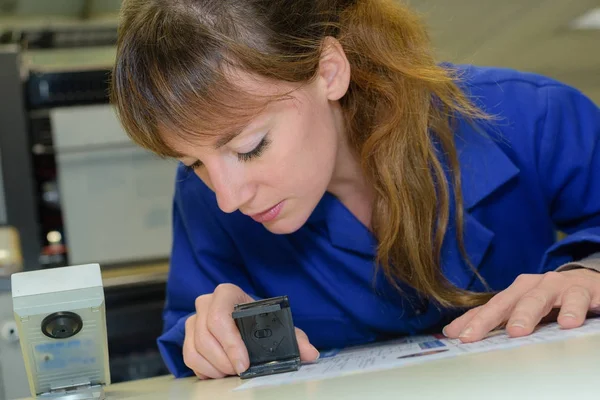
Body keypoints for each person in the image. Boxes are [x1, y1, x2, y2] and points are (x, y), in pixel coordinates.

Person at [110, 0, 600, 380]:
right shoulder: (206, 197)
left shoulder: (531, 115)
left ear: (329, 71)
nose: (228, 197)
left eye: (251, 146)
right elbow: (186, 331)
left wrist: (589, 272)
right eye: (193, 161)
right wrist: (213, 339)